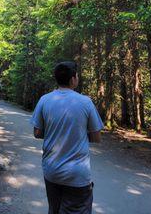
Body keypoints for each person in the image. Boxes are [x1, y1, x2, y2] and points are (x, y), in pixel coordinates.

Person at [31, 61, 103, 214]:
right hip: (77, 175)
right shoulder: (85, 102)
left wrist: (53, 132)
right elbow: (97, 137)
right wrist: (80, 135)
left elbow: (37, 133)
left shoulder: (44, 100)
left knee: (54, 210)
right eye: (77, 76)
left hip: (51, 171)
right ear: (72, 79)